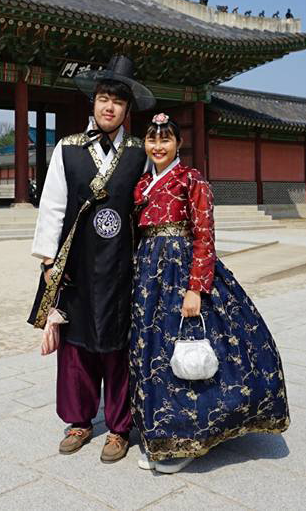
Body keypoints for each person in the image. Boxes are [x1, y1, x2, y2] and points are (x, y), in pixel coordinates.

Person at [130, 113, 290, 474]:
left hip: (182, 270)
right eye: (152, 140)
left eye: (166, 140)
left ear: (178, 144)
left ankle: (188, 438)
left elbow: (205, 236)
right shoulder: (141, 185)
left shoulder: (192, 180)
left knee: (185, 348)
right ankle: (159, 433)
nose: (158, 146)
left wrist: (196, 289)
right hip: (147, 276)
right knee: (151, 351)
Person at [28, 54, 155, 464]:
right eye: (103, 98)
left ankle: (119, 427)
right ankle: (80, 421)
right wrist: (49, 262)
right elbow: (52, 206)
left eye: (117, 101)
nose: (108, 107)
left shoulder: (140, 153)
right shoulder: (68, 149)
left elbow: (151, 205)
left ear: (127, 109)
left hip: (122, 263)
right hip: (78, 264)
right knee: (77, 344)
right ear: (93, 103)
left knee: (119, 345)